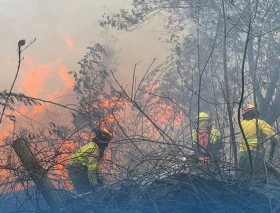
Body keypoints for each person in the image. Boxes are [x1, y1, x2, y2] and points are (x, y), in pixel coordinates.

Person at [66, 124, 113, 195]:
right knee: (85, 191)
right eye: (107, 141)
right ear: (104, 140)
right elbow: (91, 171)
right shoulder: (94, 150)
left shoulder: (95, 146)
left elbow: (95, 168)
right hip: (75, 168)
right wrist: (95, 186)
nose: (107, 144)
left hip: (82, 167)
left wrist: (102, 178)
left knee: (91, 186)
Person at [238, 103, 278, 182]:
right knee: (258, 180)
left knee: (243, 179)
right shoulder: (260, 123)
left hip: (242, 155)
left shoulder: (241, 124)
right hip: (256, 155)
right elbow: (273, 136)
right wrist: (276, 139)